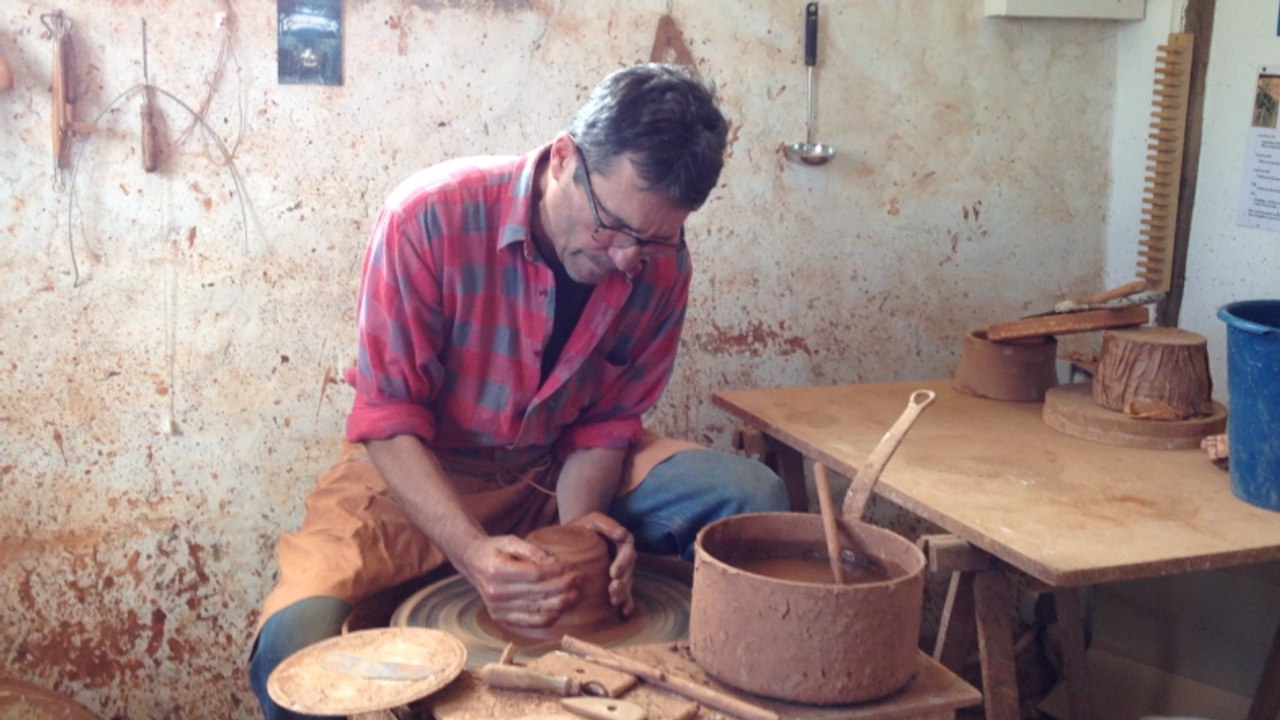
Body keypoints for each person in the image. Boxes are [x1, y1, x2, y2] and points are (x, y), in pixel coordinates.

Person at [248, 63, 789, 719]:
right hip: (413, 472)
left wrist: (581, 533)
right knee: (292, 654)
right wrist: (473, 555)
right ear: (563, 159)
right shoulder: (427, 216)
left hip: (553, 466)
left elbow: (607, 425)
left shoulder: (660, 261)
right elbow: (388, 418)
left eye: (651, 240)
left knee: (752, 498)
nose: (625, 258)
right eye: (611, 227)